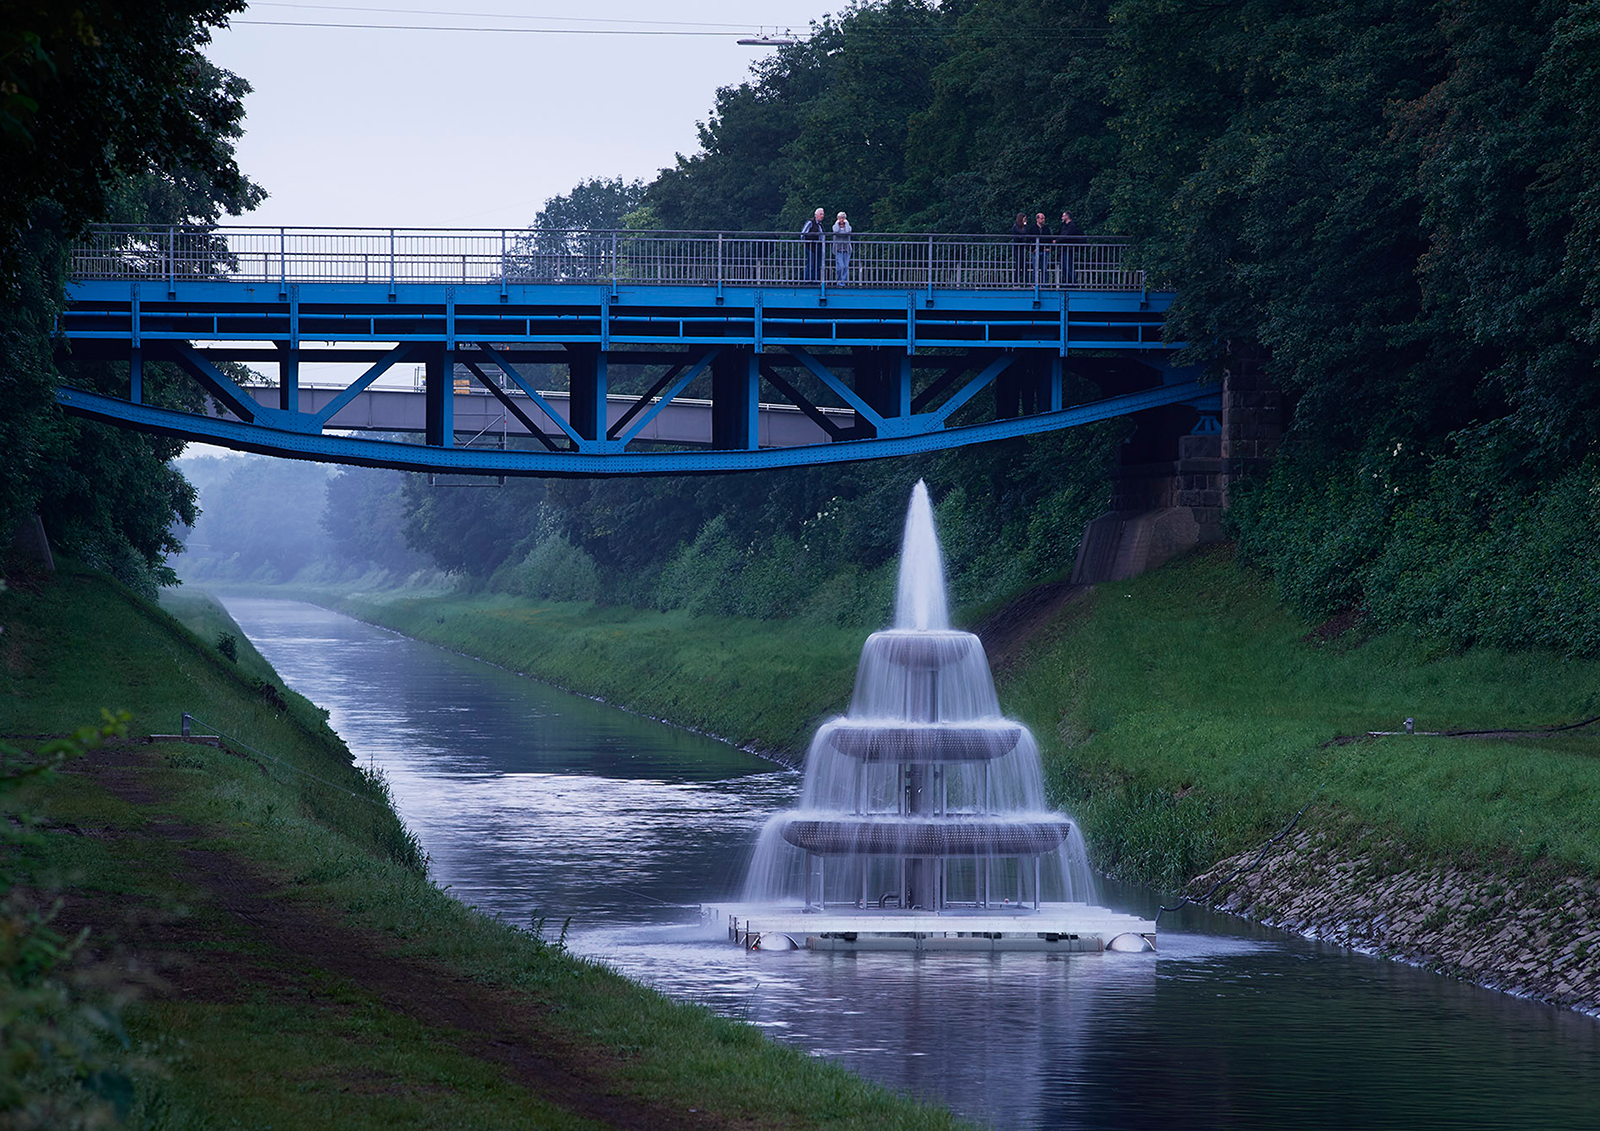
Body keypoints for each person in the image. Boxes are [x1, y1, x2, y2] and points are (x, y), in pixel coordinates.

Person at [1058, 209, 1084, 286]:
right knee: (1064, 266)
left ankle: (1072, 282)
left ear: (1067, 216)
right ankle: (1066, 281)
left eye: (1063, 216)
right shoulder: (1065, 226)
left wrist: (1057, 241)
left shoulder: (1071, 225)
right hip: (1064, 248)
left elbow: (1066, 235)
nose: (1062, 218)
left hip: (1068, 248)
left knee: (1068, 265)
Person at [801, 207, 826, 282]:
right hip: (810, 246)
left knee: (817, 265)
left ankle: (816, 281)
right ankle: (808, 281)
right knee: (811, 264)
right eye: (821, 214)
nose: (822, 216)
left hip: (818, 247)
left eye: (823, 214)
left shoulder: (820, 225)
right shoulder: (810, 222)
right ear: (816, 215)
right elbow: (803, 233)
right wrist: (805, 243)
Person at [832, 211, 853, 284]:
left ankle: (843, 281)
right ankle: (839, 280)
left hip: (846, 249)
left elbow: (847, 232)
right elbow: (836, 231)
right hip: (838, 249)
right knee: (840, 266)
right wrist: (837, 223)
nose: (841, 220)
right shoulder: (835, 226)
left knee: (846, 266)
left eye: (843, 218)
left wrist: (846, 223)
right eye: (840, 218)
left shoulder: (848, 227)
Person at [1009, 212, 1029, 284]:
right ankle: (1016, 281)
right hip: (1017, 247)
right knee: (1018, 265)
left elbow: (1025, 233)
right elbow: (1022, 233)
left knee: (1024, 265)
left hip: (1022, 247)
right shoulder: (1015, 226)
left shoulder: (1022, 227)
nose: (1025, 220)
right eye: (1024, 218)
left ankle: (1026, 282)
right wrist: (1025, 225)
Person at [1032, 212, 1051, 284]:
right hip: (1035, 251)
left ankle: (1044, 284)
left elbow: (1049, 239)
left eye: (1044, 218)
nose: (1043, 220)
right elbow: (1029, 240)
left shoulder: (1046, 229)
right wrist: (1033, 249)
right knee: (1035, 269)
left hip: (1044, 251)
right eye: (1041, 218)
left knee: (1044, 269)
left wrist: (1048, 247)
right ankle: (1034, 284)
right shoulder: (1032, 228)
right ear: (1037, 219)